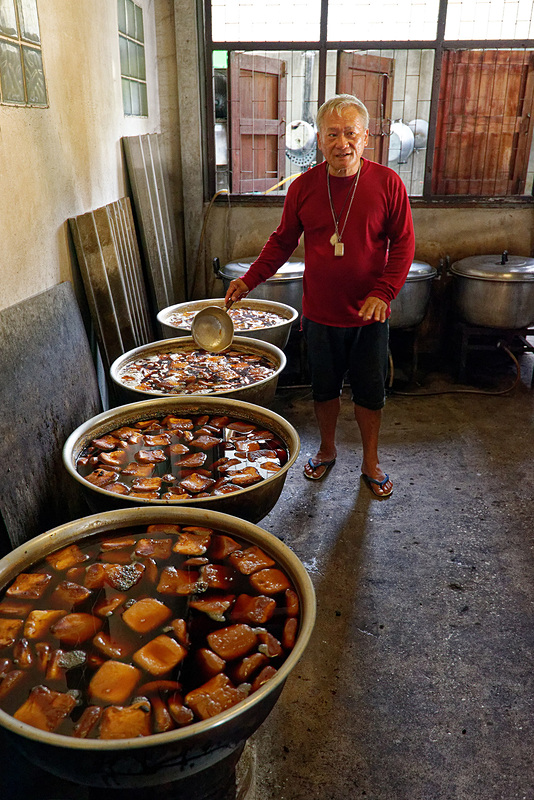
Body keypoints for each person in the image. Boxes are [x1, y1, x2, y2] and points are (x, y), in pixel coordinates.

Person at [224, 94, 415, 498]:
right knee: (324, 389)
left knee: (370, 392)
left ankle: (370, 460)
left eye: (350, 133)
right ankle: (327, 450)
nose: (341, 142)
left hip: (370, 316)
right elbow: (281, 242)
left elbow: (403, 245)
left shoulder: (387, 183)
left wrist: (384, 291)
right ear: (320, 140)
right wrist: (249, 279)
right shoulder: (305, 188)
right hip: (321, 313)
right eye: (332, 133)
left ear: (365, 139)